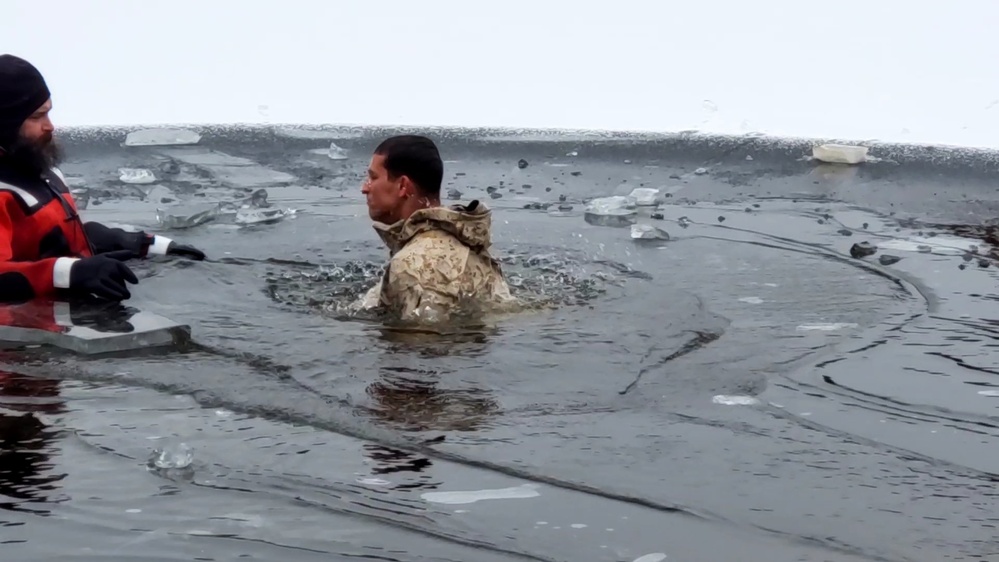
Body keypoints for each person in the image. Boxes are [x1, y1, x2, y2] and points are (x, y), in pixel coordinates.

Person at [0, 54, 205, 304]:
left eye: (49, 113)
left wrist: (140, 244)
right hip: (24, 336)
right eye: (36, 117)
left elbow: (53, 239)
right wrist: (71, 273)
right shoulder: (5, 193)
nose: (50, 126)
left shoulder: (43, 172)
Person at [359, 135, 516, 323]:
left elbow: (424, 344)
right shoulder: (464, 243)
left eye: (373, 177)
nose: (364, 188)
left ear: (402, 186)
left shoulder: (414, 265)